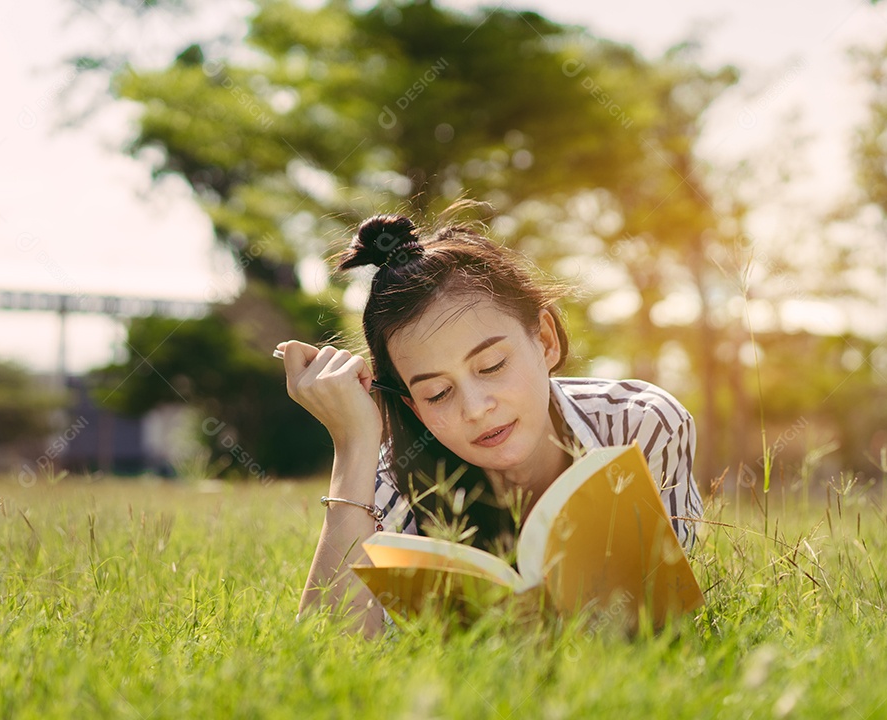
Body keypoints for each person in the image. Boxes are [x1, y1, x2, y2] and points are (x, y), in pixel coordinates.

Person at [279, 207, 703, 637]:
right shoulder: (391, 478)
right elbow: (331, 649)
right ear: (412, 405)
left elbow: (664, 622)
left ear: (545, 340)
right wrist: (353, 447)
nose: (476, 408)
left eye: (492, 365)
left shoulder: (639, 424)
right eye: (437, 393)